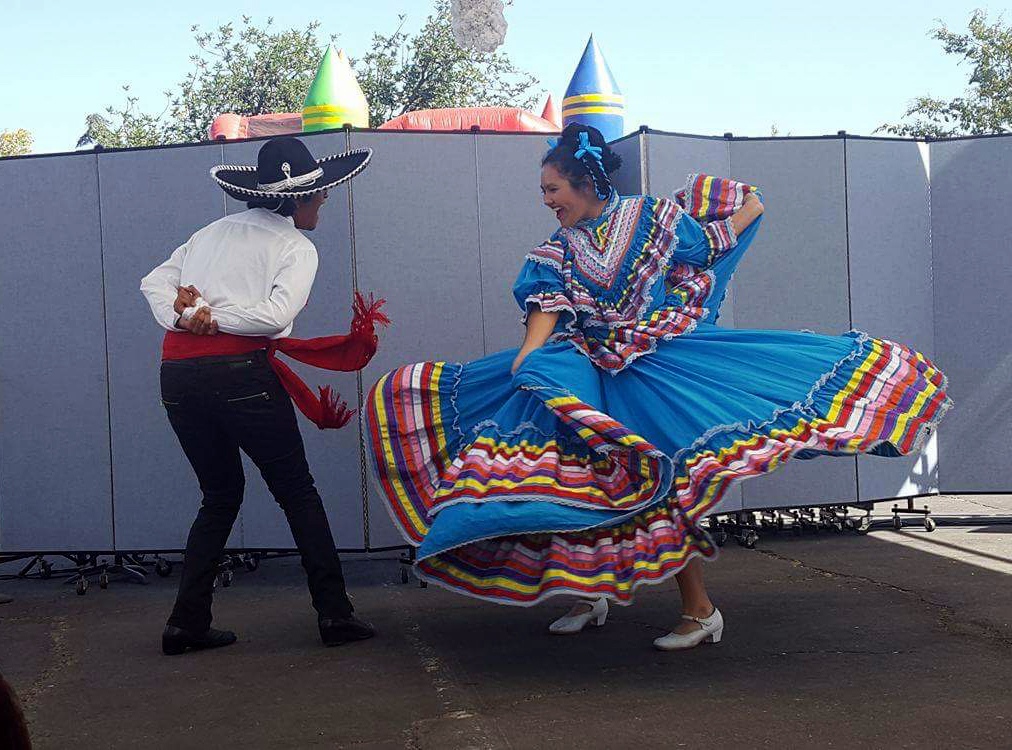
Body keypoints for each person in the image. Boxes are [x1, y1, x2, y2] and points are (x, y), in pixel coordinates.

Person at [364, 123, 951, 650]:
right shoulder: (555, 250)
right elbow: (545, 306)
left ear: (586, 182)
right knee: (582, 485)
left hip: (655, 368)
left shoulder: (652, 218)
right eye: (544, 192)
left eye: (552, 190)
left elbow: (707, 248)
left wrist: (748, 209)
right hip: (588, 373)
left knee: (659, 481)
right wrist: (526, 363)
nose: (547, 202)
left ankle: (700, 611)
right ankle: (589, 593)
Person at [141, 137, 388, 655]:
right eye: (318, 195)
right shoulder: (296, 246)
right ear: (296, 200)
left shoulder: (207, 234)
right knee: (297, 490)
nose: (323, 202)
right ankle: (335, 615)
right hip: (240, 376)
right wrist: (212, 321)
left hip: (179, 377)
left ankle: (186, 623)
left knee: (219, 495)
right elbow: (275, 317)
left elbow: (153, 284)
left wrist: (189, 317)